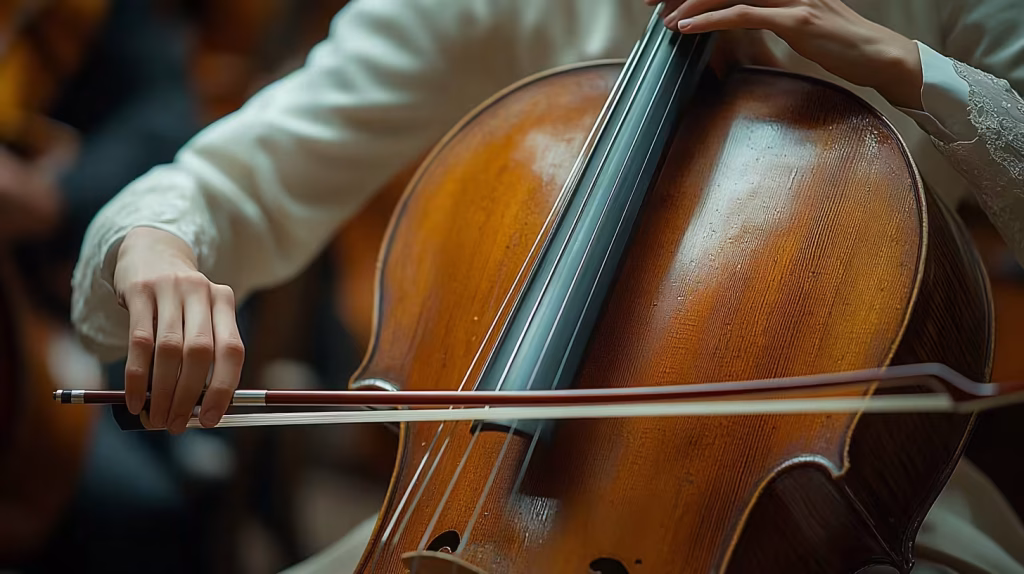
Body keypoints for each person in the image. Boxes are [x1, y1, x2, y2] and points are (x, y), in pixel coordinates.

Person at [69, 0, 1024, 571]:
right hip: (483, 495)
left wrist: (911, 71)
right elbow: (237, 175)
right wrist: (156, 244)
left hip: (837, 492)